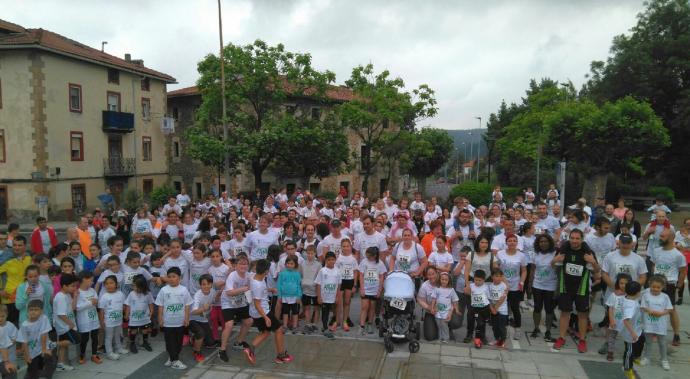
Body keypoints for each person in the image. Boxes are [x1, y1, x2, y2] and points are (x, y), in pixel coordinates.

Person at [552, 229, 599, 353]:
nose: (574, 241)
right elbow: (553, 266)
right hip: (565, 287)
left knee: (582, 315)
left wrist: (593, 262)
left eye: (577, 238)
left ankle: (582, 340)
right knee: (564, 313)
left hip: (581, 289)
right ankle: (562, 337)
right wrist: (554, 260)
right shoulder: (563, 250)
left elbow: (596, 272)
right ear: (569, 238)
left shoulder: (587, 253)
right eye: (572, 238)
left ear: (582, 239)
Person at [243, 259, 292, 365]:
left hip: (255, 312)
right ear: (265, 271)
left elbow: (258, 292)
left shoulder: (254, 277)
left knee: (265, 332)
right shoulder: (258, 285)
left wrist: (270, 290)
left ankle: (250, 348)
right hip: (262, 312)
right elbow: (257, 304)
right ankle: (281, 355)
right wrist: (266, 317)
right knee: (278, 329)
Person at [600, 234, 648, 328]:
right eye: (623, 243)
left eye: (628, 243)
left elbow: (643, 277)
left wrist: (632, 289)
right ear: (619, 243)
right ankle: (610, 341)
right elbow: (604, 273)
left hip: (631, 296)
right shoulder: (610, 256)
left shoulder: (638, 259)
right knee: (610, 318)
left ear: (632, 244)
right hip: (613, 293)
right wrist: (615, 288)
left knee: (630, 318)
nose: (625, 245)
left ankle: (629, 340)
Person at [649, 229, 686, 346]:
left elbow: (683, 271)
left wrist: (678, 286)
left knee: (671, 310)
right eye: (660, 236)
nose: (660, 238)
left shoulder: (678, 255)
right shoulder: (656, 251)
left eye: (663, 236)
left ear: (671, 238)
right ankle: (654, 330)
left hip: (669, 284)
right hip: (655, 283)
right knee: (653, 307)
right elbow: (654, 265)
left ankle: (676, 335)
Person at [155, 266, 193, 370]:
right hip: (168, 322)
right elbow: (160, 306)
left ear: (179, 278)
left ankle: (172, 358)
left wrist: (187, 318)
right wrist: (160, 319)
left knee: (178, 342)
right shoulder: (164, 290)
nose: (171, 279)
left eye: (174, 276)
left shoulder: (184, 290)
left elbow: (187, 306)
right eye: (169, 277)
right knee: (169, 341)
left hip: (180, 322)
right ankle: (175, 360)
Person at [218, 255, 253, 362]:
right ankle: (222, 350)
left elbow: (256, 282)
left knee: (249, 321)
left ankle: (239, 342)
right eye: (241, 263)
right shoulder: (232, 275)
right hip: (228, 302)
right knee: (229, 324)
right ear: (236, 265)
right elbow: (229, 292)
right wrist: (245, 288)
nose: (243, 265)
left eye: (245, 263)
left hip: (240, 301)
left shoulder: (249, 275)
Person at [496, 234, 527, 340]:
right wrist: (502, 281)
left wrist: (522, 282)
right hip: (502, 285)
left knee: (515, 308)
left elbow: (524, 270)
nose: (512, 242)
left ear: (517, 243)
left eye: (514, 240)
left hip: (515, 285)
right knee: (501, 306)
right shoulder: (500, 254)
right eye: (510, 240)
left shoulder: (521, 255)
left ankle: (518, 329)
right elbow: (496, 268)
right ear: (506, 242)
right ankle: (501, 328)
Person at [639, 274, 673, 370]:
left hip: (660, 324)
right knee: (648, 341)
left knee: (662, 342)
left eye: (658, 287)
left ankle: (664, 359)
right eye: (653, 287)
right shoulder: (646, 295)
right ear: (650, 285)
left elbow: (669, 309)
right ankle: (646, 358)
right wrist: (649, 310)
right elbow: (643, 307)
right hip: (649, 323)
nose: (655, 289)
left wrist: (662, 313)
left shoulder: (665, 297)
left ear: (662, 287)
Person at [16, 299, 55, 379]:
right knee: (33, 372)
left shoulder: (44, 318)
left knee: (51, 360)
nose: (33, 312)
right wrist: (26, 355)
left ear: (41, 311)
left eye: (36, 310)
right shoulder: (24, 325)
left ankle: (46, 376)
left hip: (42, 349)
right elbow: (24, 342)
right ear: (27, 311)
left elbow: (44, 334)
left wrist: (44, 349)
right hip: (31, 352)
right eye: (31, 310)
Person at [529, 234, 558, 341]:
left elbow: (559, 270)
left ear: (550, 242)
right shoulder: (535, 254)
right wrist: (530, 285)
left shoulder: (555, 254)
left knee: (549, 309)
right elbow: (532, 270)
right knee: (537, 307)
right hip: (537, 285)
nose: (543, 243)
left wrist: (558, 287)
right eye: (541, 241)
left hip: (551, 285)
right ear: (538, 243)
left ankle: (548, 330)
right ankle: (536, 328)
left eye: (545, 241)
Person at [0, 236, 32, 325]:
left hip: (25, 297)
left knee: (25, 325)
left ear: (25, 246)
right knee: (9, 326)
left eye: (19, 245)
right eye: (14, 245)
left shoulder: (29, 258)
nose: (16, 247)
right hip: (9, 298)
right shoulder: (6, 259)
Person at [598, 273, 631, 361]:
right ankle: (610, 352)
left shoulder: (631, 296)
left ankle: (628, 354)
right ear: (617, 283)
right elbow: (611, 308)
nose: (623, 285)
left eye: (626, 283)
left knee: (627, 338)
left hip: (627, 322)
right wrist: (612, 320)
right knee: (612, 337)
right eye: (621, 283)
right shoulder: (614, 295)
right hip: (616, 321)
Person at [53, 273, 80, 371]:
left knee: (64, 346)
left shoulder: (67, 294)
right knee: (77, 340)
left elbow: (72, 308)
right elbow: (61, 314)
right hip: (64, 326)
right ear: (64, 286)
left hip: (67, 324)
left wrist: (75, 296)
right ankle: (53, 344)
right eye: (72, 286)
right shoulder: (60, 297)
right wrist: (70, 324)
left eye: (75, 286)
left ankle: (60, 364)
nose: (74, 288)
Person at [189, 274, 219, 362]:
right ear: (200, 285)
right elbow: (193, 312)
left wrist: (217, 297)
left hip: (204, 319)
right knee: (201, 333)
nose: (206, 286)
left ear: (211, 284)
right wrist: (203, 308)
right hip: (192, 319)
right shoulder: (197, 295)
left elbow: (213, 301)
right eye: (203, 284)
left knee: (210, 343)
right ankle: (196, 351)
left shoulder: (213, 291)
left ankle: (193, 338)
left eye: (208, 284)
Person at [98, 275, 127, 360]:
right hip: (108, 321)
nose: (109, 285)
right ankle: (109, 353)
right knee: (109, 337)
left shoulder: (120, 294)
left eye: (111, 283)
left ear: (116, 284)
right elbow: (101, 310)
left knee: (117, 335)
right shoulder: (104, 296)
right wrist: (101, 321)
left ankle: (119, 348)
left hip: (118, 320)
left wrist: (123, 315)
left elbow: (123, 306)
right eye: (107, 283)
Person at [75, 271, 101, 365]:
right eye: (91, 280)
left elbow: (96, 300)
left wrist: (95, 302)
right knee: (84, 339)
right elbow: (77, 307)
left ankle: (94, 354)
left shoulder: (92, 290)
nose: (92, 282)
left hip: (94, 318)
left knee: (95, 337)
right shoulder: (78, 292)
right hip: (84, 320)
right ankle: (82, 354)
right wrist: (90, 303)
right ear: (84, 280)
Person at [124, 275, 154, 354]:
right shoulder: (131, 294)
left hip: (145, 318)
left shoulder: (148, 294)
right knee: (133, 331)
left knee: (145, 330)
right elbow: (128, 305)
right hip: (134, 318)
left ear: (143, 286)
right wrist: (127, 314)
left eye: (137, 287)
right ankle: (132, 343)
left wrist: (151, 312)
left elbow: (151, 304)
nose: (135, 288)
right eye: (134, 286)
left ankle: (145, 342)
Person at [620, 281, 644, 379]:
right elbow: (626, 320)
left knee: (642, 340)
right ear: (638, 292)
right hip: (630, 333)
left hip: (637, 328)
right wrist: (633, 333)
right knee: (629, 350)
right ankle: (627, 368)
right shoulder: (630, 306)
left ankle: (635, 357)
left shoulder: (629, 299)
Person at [316, 252, 341, 338]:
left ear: (335, 260)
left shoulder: (337, 271)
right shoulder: (322, 271)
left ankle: (333, 325)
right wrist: (319, 296)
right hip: (324, 297)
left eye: (332, 259)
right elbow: (318, 284)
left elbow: (339, 285)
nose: (331, 261)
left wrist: (337, 296)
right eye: (329, 260)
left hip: (333, 297)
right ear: (326, 260)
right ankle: (325, 327)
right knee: (325, 312)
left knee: (333, 311)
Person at [431, 272, 460, 344]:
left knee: (444, 325)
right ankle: (440, 337)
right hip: (438, 311)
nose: (444, 281)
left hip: (446, 312)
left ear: (449, 281)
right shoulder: (437, 289)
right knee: (439, 325)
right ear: (439, 280)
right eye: (442, 279)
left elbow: (454, 301)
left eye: (446, 280)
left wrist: (455, 310)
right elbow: (434, 299)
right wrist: (432, 308)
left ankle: (446, 338)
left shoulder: (451, 290)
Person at [465, 270, 490, 348]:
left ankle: (480, 337)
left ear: (484, 280)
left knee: (481, 323)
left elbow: (489, 297)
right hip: (473, 308)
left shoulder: (486, 287)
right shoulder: (471, 286)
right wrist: (467, 287)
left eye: (480, 280)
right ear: (474, 279)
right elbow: (465, 291)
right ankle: (469, 335)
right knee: (470, 321)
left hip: (483, 308)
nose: (478, 282)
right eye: (476, 280)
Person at [299, 245, 321, 335]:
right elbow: (301, 275)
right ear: (306, 254)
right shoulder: (302, 264)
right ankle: (308, 324)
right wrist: (302, 283)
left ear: (315, 254)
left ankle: (314, 324)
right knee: (306, 307)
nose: (310, 255)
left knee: (316, 308)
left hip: (315, 289)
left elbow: (319, 277)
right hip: (305, 289)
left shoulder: (318, 265)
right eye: (308, 253)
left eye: (312, 253)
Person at [417, 267, 439, 341]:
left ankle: (448, 327)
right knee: (430, 337)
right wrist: (429, 308)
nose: (431, 276)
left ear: (437, 273)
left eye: (433, 274)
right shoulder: (424, 286)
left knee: (454, 322)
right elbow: (420, 300)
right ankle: (434, 326)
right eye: (429, 274)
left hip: (443, 310)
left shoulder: (444, 281)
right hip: (430, 312)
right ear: (426, 276)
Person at [489, 269, 509, 348]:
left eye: (500, 276)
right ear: (492, 277)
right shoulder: (490, 286)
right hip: (493, 310)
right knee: (495, 326)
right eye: (496, 276)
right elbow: (489, 298)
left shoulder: (503, 285)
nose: (499, 278)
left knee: (501, 327)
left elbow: (502, 298)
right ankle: (497, 339)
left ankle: (502, 341)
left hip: (502, 310)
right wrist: (492, 308)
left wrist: (495, 308)